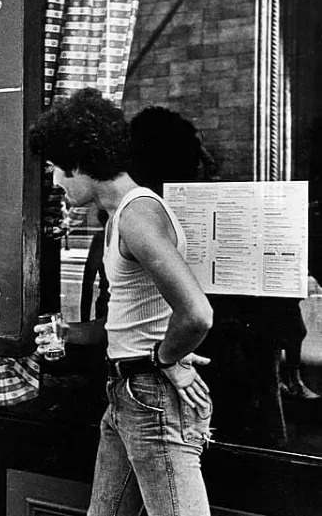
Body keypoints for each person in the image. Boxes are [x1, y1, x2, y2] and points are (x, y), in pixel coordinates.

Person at [29, 89, 214, 516]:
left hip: (151, 396)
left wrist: (167, 359)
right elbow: (128, 322)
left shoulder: (137, 215)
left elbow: (197, 314)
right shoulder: (120, 219)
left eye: (57, 169)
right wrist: (69, 332)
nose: (55, 182)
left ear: (81, 161)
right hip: (128, 395)